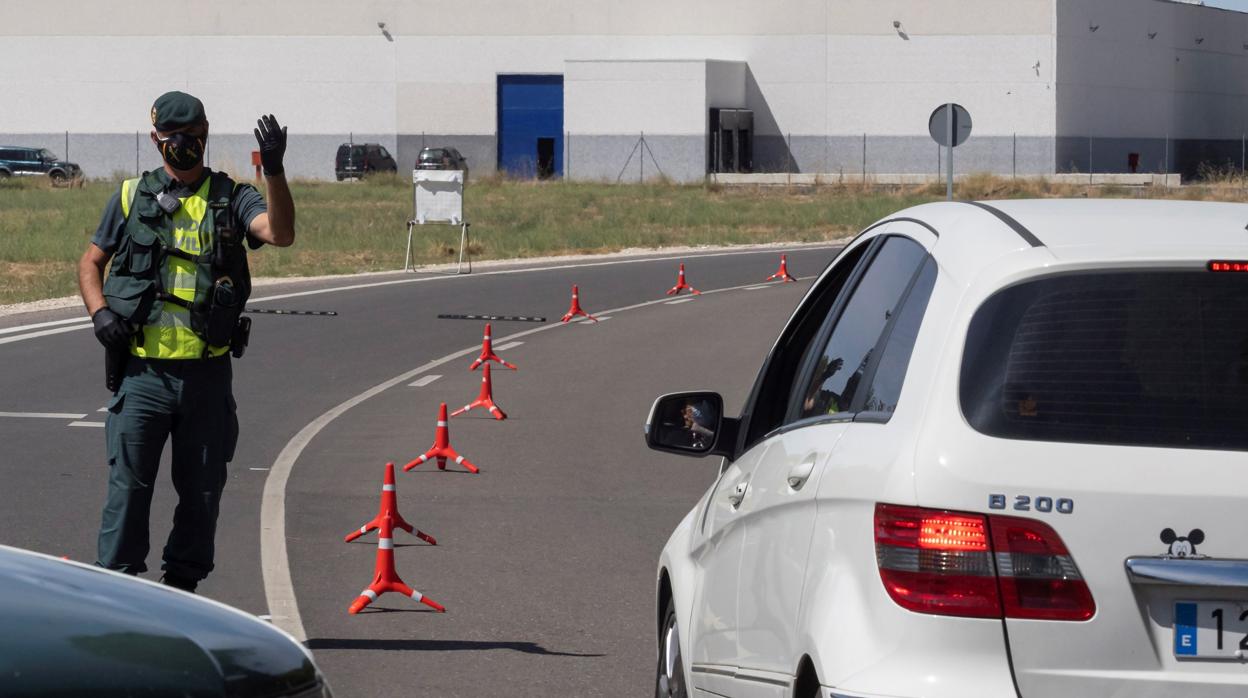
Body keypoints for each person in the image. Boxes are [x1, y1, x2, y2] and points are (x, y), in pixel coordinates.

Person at [76, 91, 295, 592]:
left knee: (201, 493)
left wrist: (276, 172)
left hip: (206, 376)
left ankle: (182, 594)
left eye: (194, 138)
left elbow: (280, 233)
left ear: (206, 134)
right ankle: (120, 596)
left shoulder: (233, 196)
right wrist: (100, 313)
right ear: (157, 140)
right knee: (127, 492)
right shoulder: (131, 196)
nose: (185, 148)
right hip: (143, 376)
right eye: (174, 140)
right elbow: (90, 263)